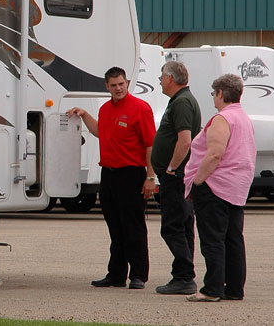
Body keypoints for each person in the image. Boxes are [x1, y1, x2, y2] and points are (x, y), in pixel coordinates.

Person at [68, 66, 156, 290]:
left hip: (132, 173)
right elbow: (100, 131)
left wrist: (150, 177)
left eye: (121, 84)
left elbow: (150, 145)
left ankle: (138, 275)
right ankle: (116, 274)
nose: (118, 88)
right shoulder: (105, 109)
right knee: (115, 227)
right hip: (108, 174)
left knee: (133, 227)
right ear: (106, 86)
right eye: (113, 85)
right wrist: (84, 114)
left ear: (127, 83)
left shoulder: (140, 109)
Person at [183, 74, 256, 302]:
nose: (213, 98)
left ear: (221, 93)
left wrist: (197, 180)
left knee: (212, 238)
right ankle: (234, 288)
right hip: (236, 187)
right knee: (234, 238)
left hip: (215, 186)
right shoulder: (243, 118)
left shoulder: (222, 119)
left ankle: (212, 288)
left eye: (214, 94)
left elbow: (215, 152)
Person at [151, 61, 202, 295]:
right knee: (183, 225)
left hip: (176, 176)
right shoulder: (182, 100)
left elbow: (185, 140)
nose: (160, 80)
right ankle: (183, 275)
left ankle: (184, 275)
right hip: (179, 175)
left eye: (162, 76)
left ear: (170, 78)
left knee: (172, 227)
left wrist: (171, 168)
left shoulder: (182, 102)